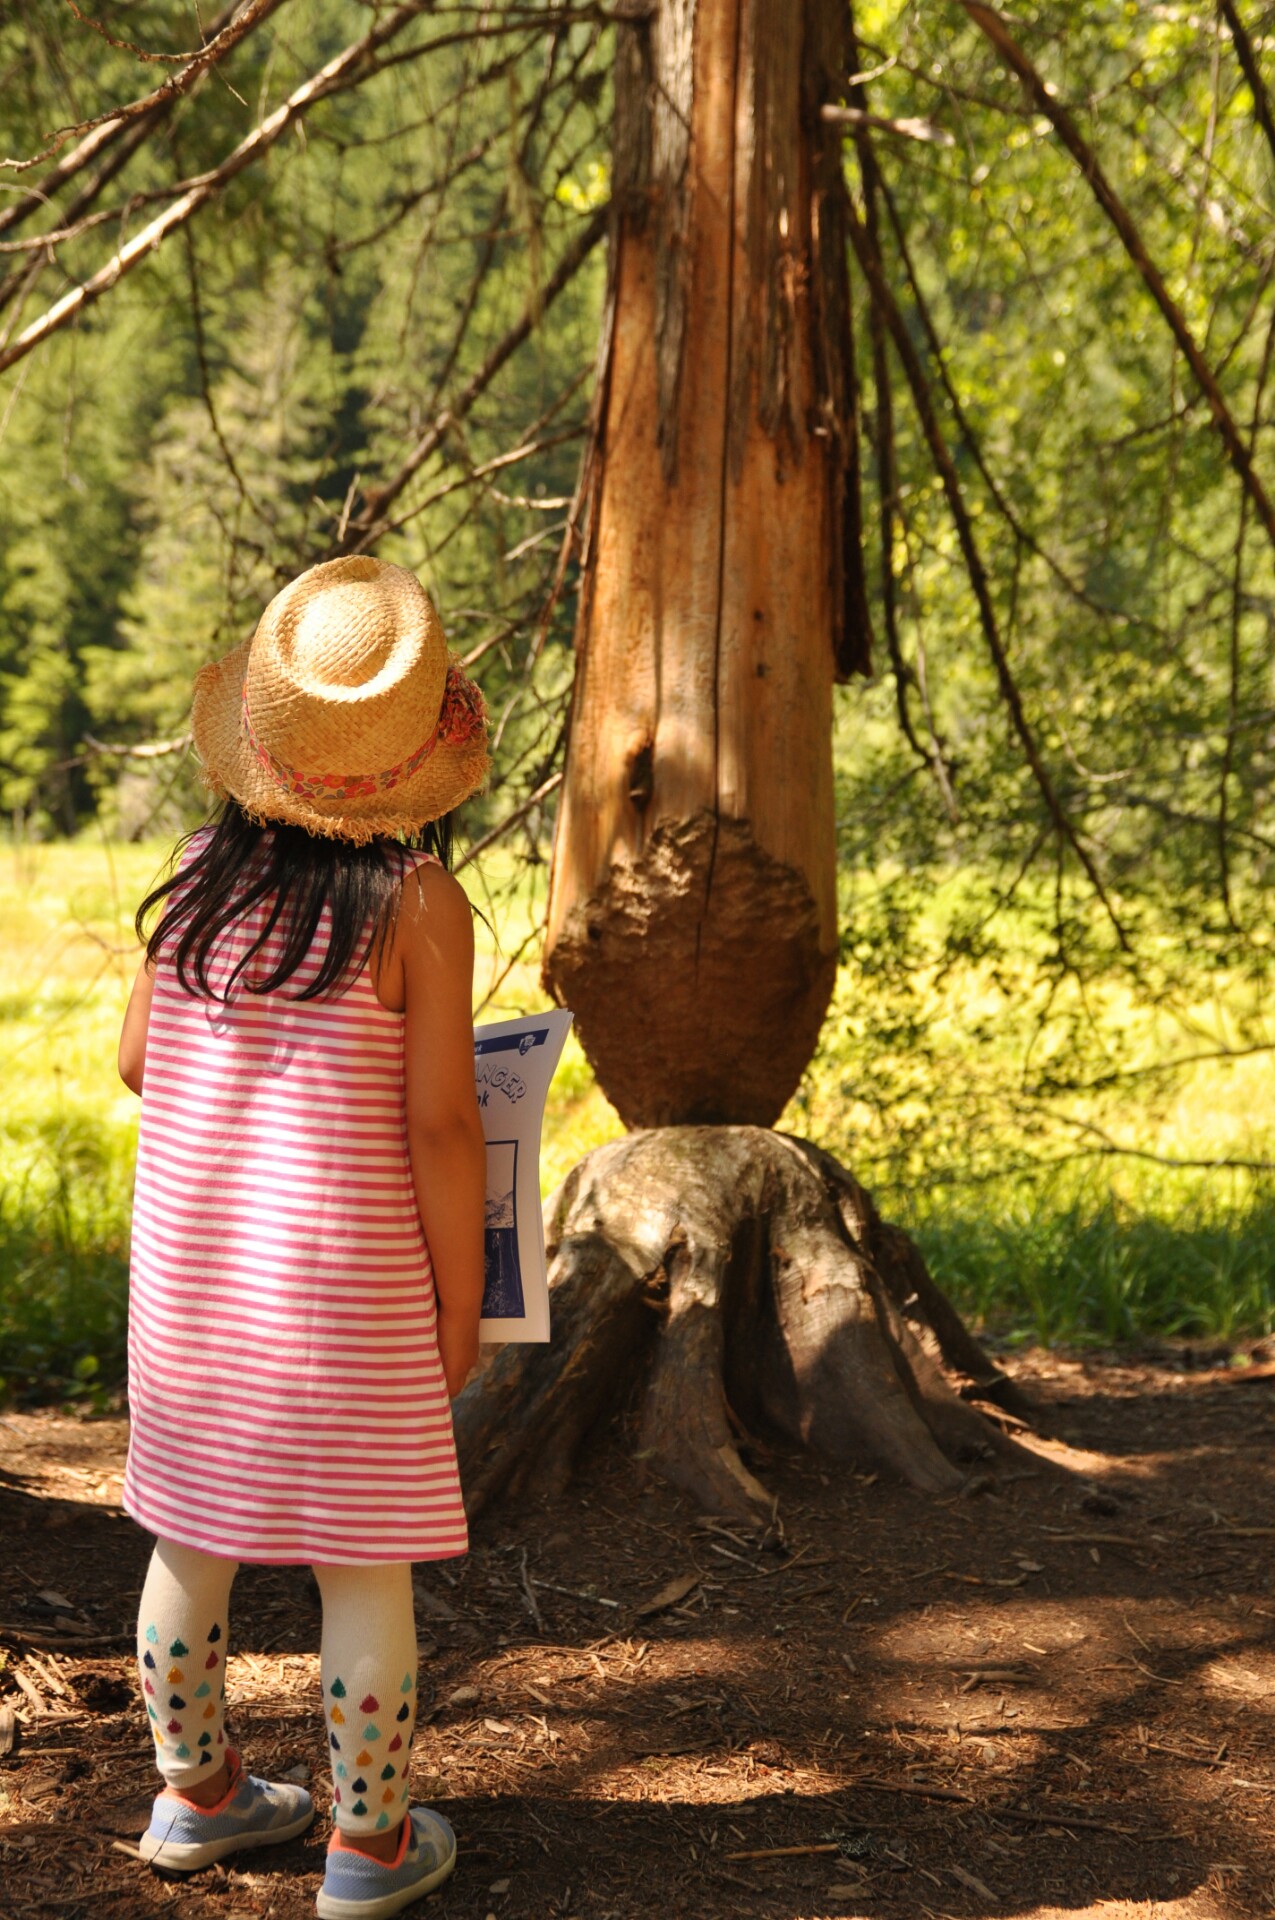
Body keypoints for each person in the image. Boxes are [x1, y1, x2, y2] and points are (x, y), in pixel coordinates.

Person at [116, 555, 490, 1919]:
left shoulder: (199, 877)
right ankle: (368, 1843)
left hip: (194, 1282)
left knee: (189, 1541)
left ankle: (197, 1793)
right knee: (362, 1557)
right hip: (347, 1291)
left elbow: (136, 1065)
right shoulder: (416, 908)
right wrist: (461, 1302)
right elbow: (447, 1130)